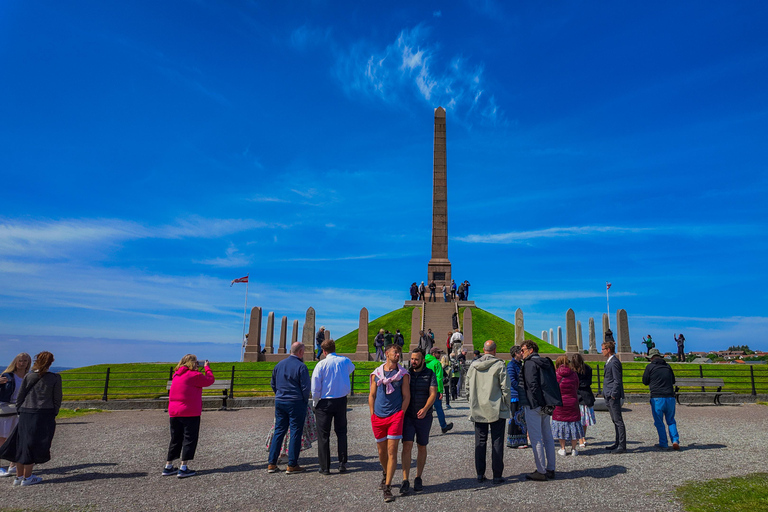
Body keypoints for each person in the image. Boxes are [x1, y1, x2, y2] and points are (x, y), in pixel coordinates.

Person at [0, 351, 61, 487]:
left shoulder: (29, 376)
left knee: (22, 442)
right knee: (34, 443)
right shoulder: (55, 378)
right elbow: (57, 399)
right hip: (44, 413)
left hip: (26, 412)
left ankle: (19, 476)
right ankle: (27, 477)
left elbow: (21, 396)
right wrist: (53, 413)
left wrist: (21, 409)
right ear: (51, 362)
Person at [369, 344, 411, 503]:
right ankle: (386, 473)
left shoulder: (403, 374)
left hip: (395, 416)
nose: (398, 355)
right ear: (386, 354)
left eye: (399, 353)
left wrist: (401, 413)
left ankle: (387, 487)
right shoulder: (377, 374)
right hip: (378, 417)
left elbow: (406, 396)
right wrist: (372, 414)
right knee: (382, 452)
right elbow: (372, 395)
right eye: (395, 352)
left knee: (392, 451)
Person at [162, 354, 215, 478]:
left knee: (175, 439)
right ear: (193, 363)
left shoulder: (176, 375)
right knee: (189, 439)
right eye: (196, 362)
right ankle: (183, 467)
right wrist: (207, 368)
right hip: (190, 412)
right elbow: (209, 380)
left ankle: (168, 466)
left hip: (174, 412)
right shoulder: (194, 375)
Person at [467, 340, 510, 484]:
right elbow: (506, 388)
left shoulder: (473, 366)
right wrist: (506, 404)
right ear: (495, 350)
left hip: (478, 407)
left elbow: (467, 387)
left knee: (480, 441)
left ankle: (480, 474)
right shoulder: (499, 365)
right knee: (497, 441)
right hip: (496, 408)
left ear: (484, 350)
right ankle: (497, 475)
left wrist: (472, 402)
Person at [311, 339, 356, 474]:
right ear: (334, 348)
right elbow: (351, 368)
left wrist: (315, 401)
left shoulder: (321, 364)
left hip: (324, 401)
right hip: (341, 400)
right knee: (341, 432)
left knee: (323, 435)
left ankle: (325, 467)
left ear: (324, 351)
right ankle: (342, 463)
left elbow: (315, 386)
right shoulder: (345, 361)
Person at [521, 340, 561, 481]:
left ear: (531, 350)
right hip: (547, 404)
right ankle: (551, 468)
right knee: (548, 436)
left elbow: (532, 385)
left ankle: (541, 470)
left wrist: (538, 402)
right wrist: (546, 403)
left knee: (536, 437)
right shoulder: (547, 362)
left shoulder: (530, 363)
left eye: (523, 350)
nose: (521, 353)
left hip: (535, 404)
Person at [268, 342, 311, 474]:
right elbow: (305, 388)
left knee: (279, 431)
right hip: (295, 402)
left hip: (280, 401)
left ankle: (272, 463)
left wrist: (280, 394)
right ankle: (292, 464)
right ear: (300, 352)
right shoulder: (301, 367)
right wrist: (304, 401)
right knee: (295, 432)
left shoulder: (279, 365)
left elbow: (273, 384)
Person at [400, 348, 437, 495]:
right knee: (406, 445)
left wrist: (425, 408)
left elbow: (433, 393)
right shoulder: (406, 374)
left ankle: (418, 477)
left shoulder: (430, 374)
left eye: (416, 359)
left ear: (423, 360)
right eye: (412, 359)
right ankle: (405, 479)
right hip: (408, 416)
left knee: (422, 446)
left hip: (424, 416)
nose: (413, 361)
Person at [0, 353, 31, 479]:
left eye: (25, 360)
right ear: (15, 362)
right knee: (2, 438)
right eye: (20, 360)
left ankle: (13, 464)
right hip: (6, 409)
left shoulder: (29, 376)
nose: (22, 363)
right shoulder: (7, 376)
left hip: (20, 410)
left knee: (17, 439)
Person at [642, 348, 680, 451]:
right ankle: (675, 440)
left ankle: (663, 443)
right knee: (671, 420)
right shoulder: (667, 366)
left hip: (657, 397)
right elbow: (673, 380)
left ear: (652, 358)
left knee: (659, 422)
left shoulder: (650, 367)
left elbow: (645, 381)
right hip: (670, 397)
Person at [551, 356, 583, 456]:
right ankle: (574, 449)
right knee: (574, 424)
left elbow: (552, 388)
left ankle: (563, 448)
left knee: (561, 425)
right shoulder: (573, 374)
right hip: (572, 402)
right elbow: (577, 386)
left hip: (560, 403)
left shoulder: (555, 374)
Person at [602, 333, 626, 454]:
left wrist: (613, 393)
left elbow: (617, 379)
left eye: (603, 349)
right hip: (608, 394)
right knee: (614, 420)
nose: (602, 352)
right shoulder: (609, 361)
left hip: (612, 395)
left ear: (608, 350)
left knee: (618, 420)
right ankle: (617, 443)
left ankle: (622, 445)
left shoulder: (614, 362)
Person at [424, 348, 453, 433]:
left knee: (425, 408)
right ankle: (443, 426)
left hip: (425, 388)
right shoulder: (437, 363)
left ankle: (423, 428)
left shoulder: (424, 362)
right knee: (439, 408)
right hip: (434, 389)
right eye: (438, 353)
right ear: (433, 353)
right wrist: (440, 391)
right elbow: (439, 378)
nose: (440, 355)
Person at [571, 353, 596, 448]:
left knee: (580, 420)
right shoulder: (587, 368)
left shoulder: (573, 370)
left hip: (578, 395)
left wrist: (577, 384)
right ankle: (581, 437)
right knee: (583, 420)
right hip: (584, 395)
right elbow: (588, 382)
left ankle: (581, 438)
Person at [505, 346, 527, 448]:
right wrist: (521, 388)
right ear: (515, 353)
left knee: (521, 419)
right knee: (515, 418)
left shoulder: (520, 364)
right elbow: (512, 380)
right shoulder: (511, 365)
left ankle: (521, 440)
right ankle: (514, 441)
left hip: (521, 394)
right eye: (520, 352)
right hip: (515, 395)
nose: (522, 353)